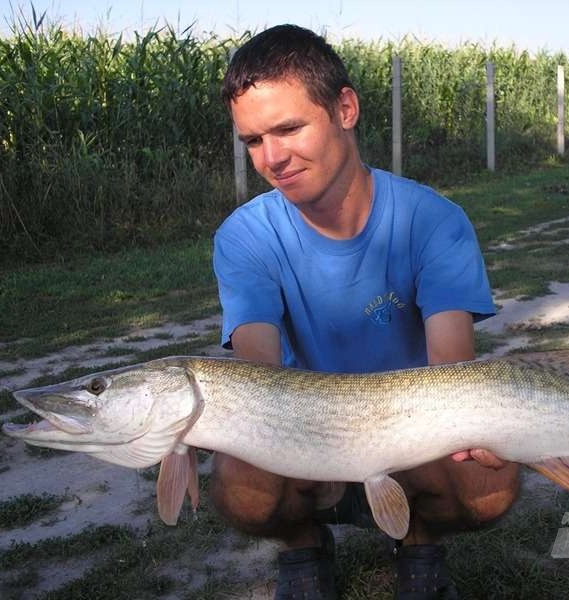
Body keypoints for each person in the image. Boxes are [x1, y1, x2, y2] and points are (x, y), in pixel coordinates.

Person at [211, 24, 520, 599]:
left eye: (288, 128)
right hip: (304, 443)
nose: (272, 158)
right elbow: (260, 384)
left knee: (486, 484)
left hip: (412, 440)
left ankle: (419, 545)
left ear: (345, 108)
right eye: (253, 140)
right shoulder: (243, 238)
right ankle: (302, 550)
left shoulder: (436, 220)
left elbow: (451, 377)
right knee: (240, 482)